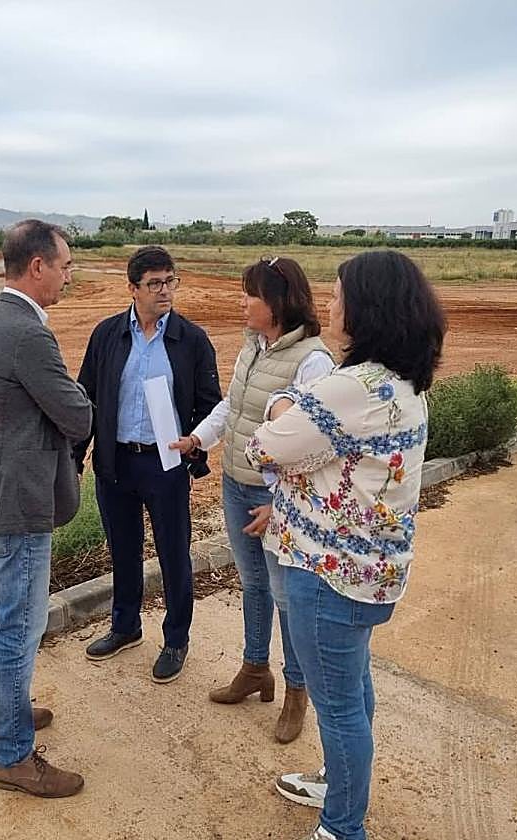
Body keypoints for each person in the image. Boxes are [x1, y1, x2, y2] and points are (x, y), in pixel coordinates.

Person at [245, 250, 446, 840]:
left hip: (328, 571)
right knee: (352, 691)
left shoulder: (350, 389)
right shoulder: (405, 383)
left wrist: (283, 406)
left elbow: (264, 448)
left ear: (366, 310)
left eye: (336, 298)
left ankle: (341, 827)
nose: (329, 308)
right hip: (372, 571)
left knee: (338, 708)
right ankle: (338, 785)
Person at [170, 256, 333, 743]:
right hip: (237, 484)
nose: (241, 302)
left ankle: (296, 693)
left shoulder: (313, 360)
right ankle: (255, 669)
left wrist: (281, 504)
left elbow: (312, 445)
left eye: (250, 294)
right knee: (253, 586)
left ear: (277, 302)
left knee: (287, 597)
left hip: (273, 497)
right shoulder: (253, 346)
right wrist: (199, 439)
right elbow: (232, 406)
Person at [0, 219, 93, 798]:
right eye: (64, 266)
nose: (68, 276)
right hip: (18, 504)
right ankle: (13, 755)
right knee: (20, 627)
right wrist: (75, 404)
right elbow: (77, 414)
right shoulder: (28, 334)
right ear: (37, 267)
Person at [73, 245, 221, 683]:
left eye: (170, 281)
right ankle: (125, 626)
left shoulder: (191, 340)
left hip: (166, 463)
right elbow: (87, 398)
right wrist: (77, 456)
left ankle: (176, 638)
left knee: (173, 552)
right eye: (154, 284)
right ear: (133, 288)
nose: (165, 291)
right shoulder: (107, 335)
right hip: (116, 461)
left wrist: (193, 446)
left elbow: (210, 405)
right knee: (123, 548)